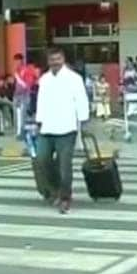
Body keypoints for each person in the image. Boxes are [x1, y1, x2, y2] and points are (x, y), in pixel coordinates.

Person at [36, 46, 90, 214]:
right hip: (47, 128)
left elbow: (81, 100)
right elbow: (41, 101)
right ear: (48, 61)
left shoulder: (74, 79)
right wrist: (39, 121)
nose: (55, 63)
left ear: (63, 59)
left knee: (64, 165)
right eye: (52, 60)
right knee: (42, 159)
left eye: (58, 59)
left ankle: (65, 198)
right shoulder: (44, 79)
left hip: (67, 129)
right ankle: (55, 190)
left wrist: (83, 121)